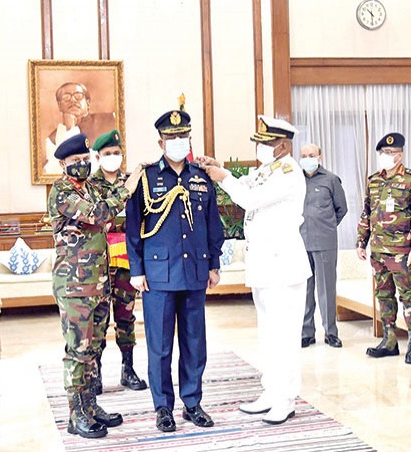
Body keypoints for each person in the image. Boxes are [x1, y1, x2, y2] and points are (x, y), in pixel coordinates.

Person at [199, 115, 311, 425]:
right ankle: (270, 392)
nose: (260, 148)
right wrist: (219, 167)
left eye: (265, 144)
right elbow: (246, 183)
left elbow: (248, 199)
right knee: (268, 334)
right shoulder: (268, 169)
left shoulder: (289, 173)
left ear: (282, 146)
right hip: (265, 265)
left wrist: (222, 177)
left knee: (284, 336)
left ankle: (286, 399)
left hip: (283, 266)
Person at [124, 109, 224, 433]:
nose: (178, 142)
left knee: (195, 342)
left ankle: (192, 403)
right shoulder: (146, 177)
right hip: (158, 276)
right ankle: (163, 407)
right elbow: (133, 227)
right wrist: (136, 269)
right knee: (161, 345)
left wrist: (214, 263)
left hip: (194, 271)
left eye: (183, 137)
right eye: (172, 138)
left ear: (189, 139)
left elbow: (213, 225)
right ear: (160, 141)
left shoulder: (201, 177)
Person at [48, 132, 143, 439]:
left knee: (94, 347)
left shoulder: (89, 188)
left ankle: (90, 406)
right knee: (78, 350)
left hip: (99, 283)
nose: (82, 165)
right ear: (63, 164)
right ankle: (76, 415)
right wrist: (128, 188)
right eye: (75, 161)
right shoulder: (61, 191)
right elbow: (100, 214)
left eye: (85, 160)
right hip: (74, 286)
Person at [356, 132, 411, 365]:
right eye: (384, 153)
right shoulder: (374, 179)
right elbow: (367, 211)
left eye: (392, 153)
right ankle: (389, 340)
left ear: (401, 154)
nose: (388, 156)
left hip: (402, 251)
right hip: (378, 250)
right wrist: (361, 241)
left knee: (409, 296)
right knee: (383, 295)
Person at [87, 129, 147, 394]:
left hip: (126, 260)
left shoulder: (132, 181)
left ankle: (128, 369)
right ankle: (96, 373)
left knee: (126, 316)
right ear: (98, 157)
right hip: (99, 261)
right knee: (98, 319)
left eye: (116, 153)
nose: (113, 157)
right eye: (107, 153)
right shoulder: (90, 185)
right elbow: (97, 218)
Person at [297, 143, 347, 348]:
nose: (307, 158)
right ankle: (306, 332)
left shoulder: (331, 180)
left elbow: (341, 209)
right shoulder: (295, 180)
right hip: (300, 241)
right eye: (303, 155)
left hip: (325, 241)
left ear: (320, 157)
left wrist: (326, 226)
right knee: (305, 290)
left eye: (311, 155)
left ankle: (331, 332)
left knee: (326, 288)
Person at [44, 82, 117, 174]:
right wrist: (69, 129)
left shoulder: (112, 119)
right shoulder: (52, 139)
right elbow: (52, 171)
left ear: (88, 102)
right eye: (66, 97)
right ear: (59, 106)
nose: (73, 100)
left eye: (78, 96)